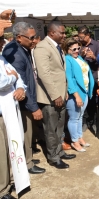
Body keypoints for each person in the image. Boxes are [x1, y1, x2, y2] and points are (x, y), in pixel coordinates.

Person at [2, 22, 46, 174]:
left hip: (26, 99)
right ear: (19, 37)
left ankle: (28, 158)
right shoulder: (14, 53)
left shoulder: (22, 48)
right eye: (32, 37)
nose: (34, 40)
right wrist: (33, 107)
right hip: (22, 103)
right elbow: (20, 81)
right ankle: (27, 163)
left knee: (28, 134)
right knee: (25, 135)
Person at [34, 21, 76, 169]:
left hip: (60, 95)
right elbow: (44, 74)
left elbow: (59, 72)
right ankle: (53, 157)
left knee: (59, 126)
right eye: (62, 33)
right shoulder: (42, 47)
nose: (65, 35)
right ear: (52, 33)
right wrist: (55, 95)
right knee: (51, 129)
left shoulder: (57, 47)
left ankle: (59, 151)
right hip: (50, 98)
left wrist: (63, 93)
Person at [0, 9, 27, 199]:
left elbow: (18, 79)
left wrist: (20, 87)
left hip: (9, 109)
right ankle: (2, 189)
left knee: (12, 147)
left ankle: (12, 180)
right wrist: (12, 79)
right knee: (2, 152)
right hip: (1, 113)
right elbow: (2, 82)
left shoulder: (1, 58)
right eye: (1, 39)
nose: (3, 42)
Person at [63, 38, 94, 152]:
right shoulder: (68, 59)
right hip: (75, 94)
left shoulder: (79, 57)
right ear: (67, 49)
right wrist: (76, 96)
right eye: (74, 49)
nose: (77, 51)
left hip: (84, 91)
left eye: (78, 48)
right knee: (74, 118)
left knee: (80, 116)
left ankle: (80, 137)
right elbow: (69, 79)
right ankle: (74, 141)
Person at [77, 25, 99, 133]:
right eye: (79, 37)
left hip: (92, 78)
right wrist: (81, 55)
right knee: (83, 101)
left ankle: (92, 122)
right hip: (81, 79)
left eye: (82, 37)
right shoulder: (78, 46)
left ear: (88, 35)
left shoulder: (97, 45)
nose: (80, 39)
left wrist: (94, 57)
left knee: (93, 101)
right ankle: (84, 122)